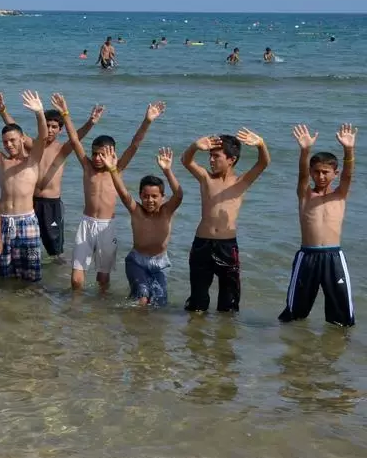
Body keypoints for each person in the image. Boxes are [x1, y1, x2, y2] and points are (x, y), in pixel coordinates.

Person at [60, 97, 164, 292]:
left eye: (103, 154)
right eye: (95, 153)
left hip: (107, 227)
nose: (98, 158)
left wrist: (147, 121)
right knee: (76, 280)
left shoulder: (117, 169)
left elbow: (134, 145)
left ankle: (100, 310)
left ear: (112, 154)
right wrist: (66, 113)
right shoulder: (87, 167)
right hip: (86, 223)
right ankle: (74, 309)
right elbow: (74, 140)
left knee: (102, 278)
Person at [0, 92, 101, 261]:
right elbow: (14, 130)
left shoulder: (62, 149)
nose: (50, 130)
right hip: (31, 202)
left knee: (54, 247)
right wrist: (2, 111)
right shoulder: (33, 145)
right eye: (48, 126)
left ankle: (56, 277)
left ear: (60, 129)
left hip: (51, 203)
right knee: (29, 242)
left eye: (54, 127)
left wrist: (91, 123)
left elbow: (76, 138)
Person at [179, 129, 270, 313]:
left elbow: (263, 163)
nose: (211, 160)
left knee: (228, 303)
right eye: (210, 156)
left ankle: (223, 339)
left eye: (216, 157)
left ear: (231, 159)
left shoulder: (241, 182)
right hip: (202, 244)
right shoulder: (205, 178)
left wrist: (261, 144)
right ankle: (195, 338)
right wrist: (196, 146)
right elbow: (185, 161)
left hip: (227, 247)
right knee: (198, 300)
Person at [280, 124, 356, 326]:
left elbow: (349, 175)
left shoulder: (339, 195)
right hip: (308, 256)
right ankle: (293, 348)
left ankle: (336, 351)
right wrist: (305, 151)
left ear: (335, 173)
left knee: (342, 317)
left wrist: (349, 149)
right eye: (316, 172)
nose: (320, 176)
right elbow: (302, 176)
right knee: (295, 313)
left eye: (325, 172)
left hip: (333, 257)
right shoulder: (305, 195)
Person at [0, 90, 48, 281]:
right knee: (1, 274)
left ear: (22, 139)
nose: (9, 145)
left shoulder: (32, 161)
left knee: (31, 275)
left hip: (27, 222)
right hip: (3, 221)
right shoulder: (1, 161)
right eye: (5, 142)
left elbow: (43, 137)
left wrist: (39, 113)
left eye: (13, 140)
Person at [103, 147, 183, 306]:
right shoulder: (136, 210)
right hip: (136, 261)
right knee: (142, 296)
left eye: (154, 196)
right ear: (140, 196)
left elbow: (179, 194)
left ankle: (146, 327)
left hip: (161, 263)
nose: (150, 200)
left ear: (162, 197)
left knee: (159, 302)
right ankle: (134, 325)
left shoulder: (166, 211)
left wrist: (167, 171)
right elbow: (123, 193)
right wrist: (112, 169)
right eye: (145, 196)